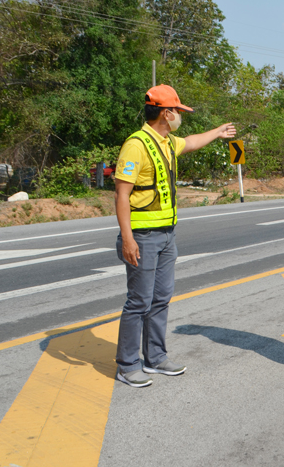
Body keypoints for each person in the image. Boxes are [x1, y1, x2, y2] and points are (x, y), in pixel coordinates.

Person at [114, 84, 236, 388]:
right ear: (166, 113)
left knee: (160, 298)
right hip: (142, 236)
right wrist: (127, 238)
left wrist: (218, 132)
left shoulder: (166, 142)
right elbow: (121, 194)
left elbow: (191, 142)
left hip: (166, 235)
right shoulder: (136, 145)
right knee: (139, 302)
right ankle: (127, 365)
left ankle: (155, 358)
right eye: (178, 111)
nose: (181, 116)